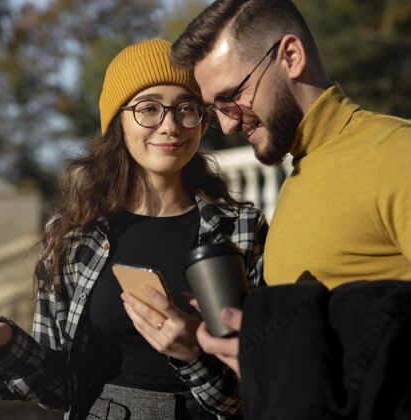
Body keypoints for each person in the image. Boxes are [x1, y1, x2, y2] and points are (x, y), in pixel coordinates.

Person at [0, 38, 268, 419]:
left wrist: (193, 353)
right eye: (148, 109)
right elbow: (62, 389)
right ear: (118, 122)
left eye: (186, 108)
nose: (170, 125)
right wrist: (5, 342)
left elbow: (254, 391)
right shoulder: (76, 237)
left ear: (202, 119)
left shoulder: (240, 230)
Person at [170, 0, 411, 376]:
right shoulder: (299, 177)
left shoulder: (396, 154)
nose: (227, 125)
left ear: (291, 56)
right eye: (214, 108)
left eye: (231, 97)